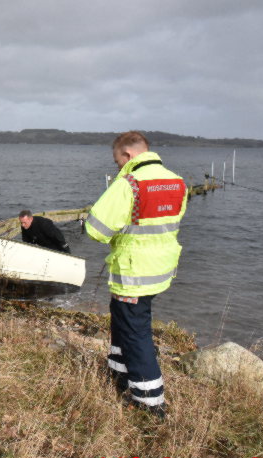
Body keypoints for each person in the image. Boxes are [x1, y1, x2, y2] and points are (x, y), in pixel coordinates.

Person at [85, 131, 187, 418]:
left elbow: (96, 230)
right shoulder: (177, 181)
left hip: (133, 271)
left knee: (135, 331)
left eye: (117, 160)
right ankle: (118, 373)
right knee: (123, 318)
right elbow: (170, 219)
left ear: (127, 155)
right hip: (161, 269)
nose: (117, 166)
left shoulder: (128, 183)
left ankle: (149, 402)